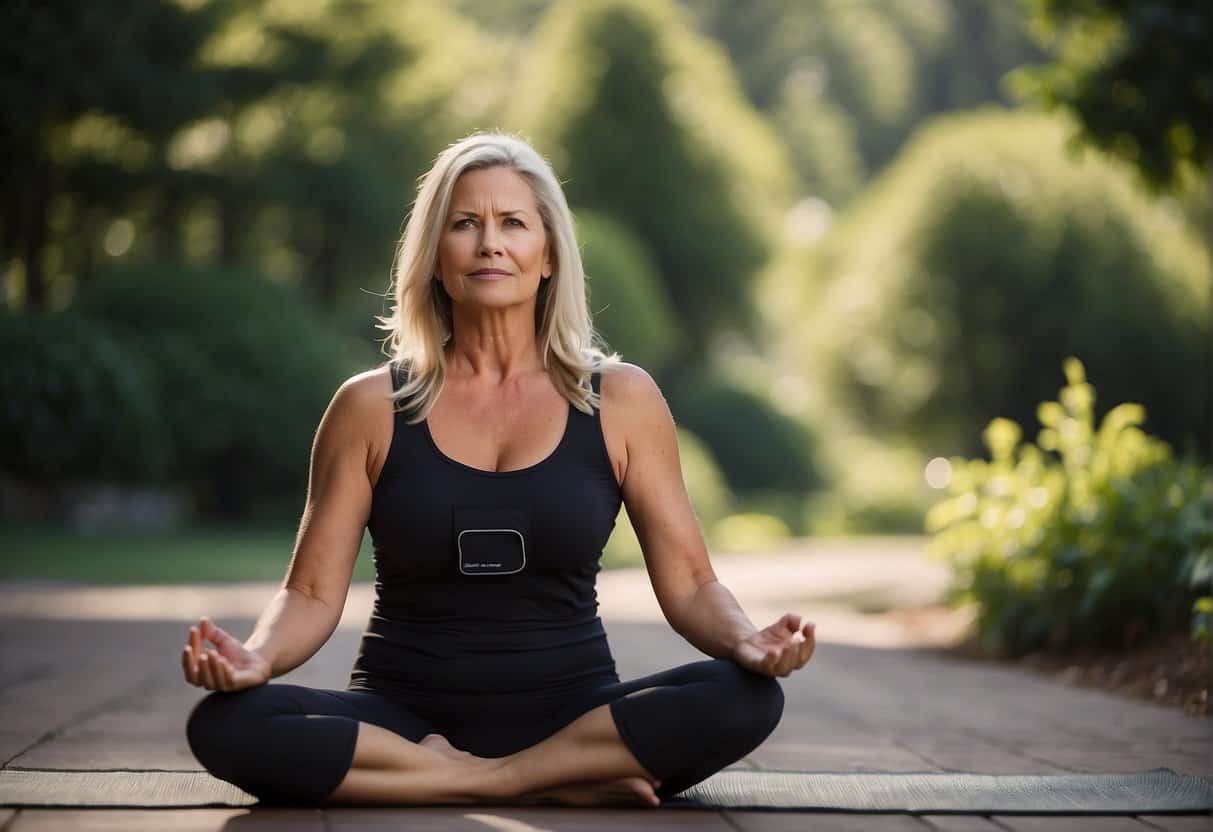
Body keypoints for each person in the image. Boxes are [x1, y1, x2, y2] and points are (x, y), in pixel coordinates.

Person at [183, 131, 816, 808]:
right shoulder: (367, 407)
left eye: (512, 223)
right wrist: (255, 657)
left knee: (744, 699)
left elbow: (690, 582)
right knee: (227, 724)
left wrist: (747, 641)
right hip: (402, 716)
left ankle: (480, 777)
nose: (490, 243)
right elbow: (309, 593)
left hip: (575, 712)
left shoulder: (623, 400)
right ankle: (553, 781)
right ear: (434, 256)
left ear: (547, 255)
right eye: (464, 224)